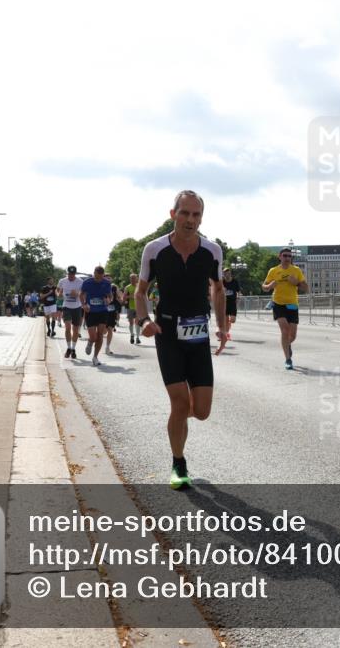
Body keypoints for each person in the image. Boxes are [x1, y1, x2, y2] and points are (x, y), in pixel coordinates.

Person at [135, 190, 226, 489]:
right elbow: (140, 291)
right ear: (173, 214)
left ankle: (180, 420)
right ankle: (178, 463)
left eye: (196, 214)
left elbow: (219, 289)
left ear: (202, 217)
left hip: (198, 335)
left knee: (200, 411)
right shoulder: (155, 249)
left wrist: (222, 327)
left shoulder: (212, 250)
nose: (190, 220)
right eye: (184, 213)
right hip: (168, 334)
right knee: (178, 403)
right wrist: (144, 320)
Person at [263, 249, 308, 370]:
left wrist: (297, 283)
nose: (287, 258)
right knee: (285, 330)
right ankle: (288, 359)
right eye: (285, 256)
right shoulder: (273, 271)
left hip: (292, 304)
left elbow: (306, 288)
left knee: (292, 336)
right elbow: (264, 287)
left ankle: (287, 346)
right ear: (280, 257)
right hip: (278, 303)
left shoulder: (296, 270)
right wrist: (269, 286)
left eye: (289, 256)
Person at [81, 266, 112, 366]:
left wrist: (108, 300)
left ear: (103, 275)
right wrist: (84, 305)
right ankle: (90, 342)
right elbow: (81, 295)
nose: (98, 279)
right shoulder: (87, 282)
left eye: (100, 277)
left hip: (102, 311)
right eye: (97, 277)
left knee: (100, 334)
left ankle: (95, 357)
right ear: (94, 273)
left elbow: (110, 296)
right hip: (90, 311)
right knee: (93, 337)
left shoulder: (107, 283)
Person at [57, 266, 85, 358]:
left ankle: (73, 349)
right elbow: (57, 291)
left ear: (75, 274)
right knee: (67, 328)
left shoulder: (80, 281)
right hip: (66, 307)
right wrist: (59, 294)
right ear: (67, 273)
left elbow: (84, 294)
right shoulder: (62, 281)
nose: (71, 276)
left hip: (77, 307)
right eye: (69, 274)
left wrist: (77, 294)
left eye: (73, 274)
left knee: (76, 330)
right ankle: (68, 347)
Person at [222, 268, 242, 340]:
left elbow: (239, 291)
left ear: (230, 274)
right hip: (224, 303)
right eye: (225, 273)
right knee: (226, 320)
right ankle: (226, 334)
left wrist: (238, 298)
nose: (227, 275)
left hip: (233, 303)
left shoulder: (235, 281)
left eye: (228, 273)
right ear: (223, 274)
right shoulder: (222, 282)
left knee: (232, 320)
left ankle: (226, 331)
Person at [105, 280, 121, 354]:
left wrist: (121, 299)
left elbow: (119, 297)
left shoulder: (114, 287)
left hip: (112, 312)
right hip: (103, 311)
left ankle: (107, 347)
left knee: (110, 329)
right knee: (104, 331)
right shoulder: (102, 287)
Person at [124, 273, 140, 345]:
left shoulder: (139, 286)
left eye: (134, 278)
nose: (133, 279)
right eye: (131, 278)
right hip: (130, 307)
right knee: (131, 323)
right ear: (130, 279)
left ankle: (137, 337)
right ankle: (132, 335)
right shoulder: (127, 287)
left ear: (137, 278)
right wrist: (130, 296)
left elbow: (143, 295)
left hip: (138, 307)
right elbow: (124, 298)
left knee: (137, 322)